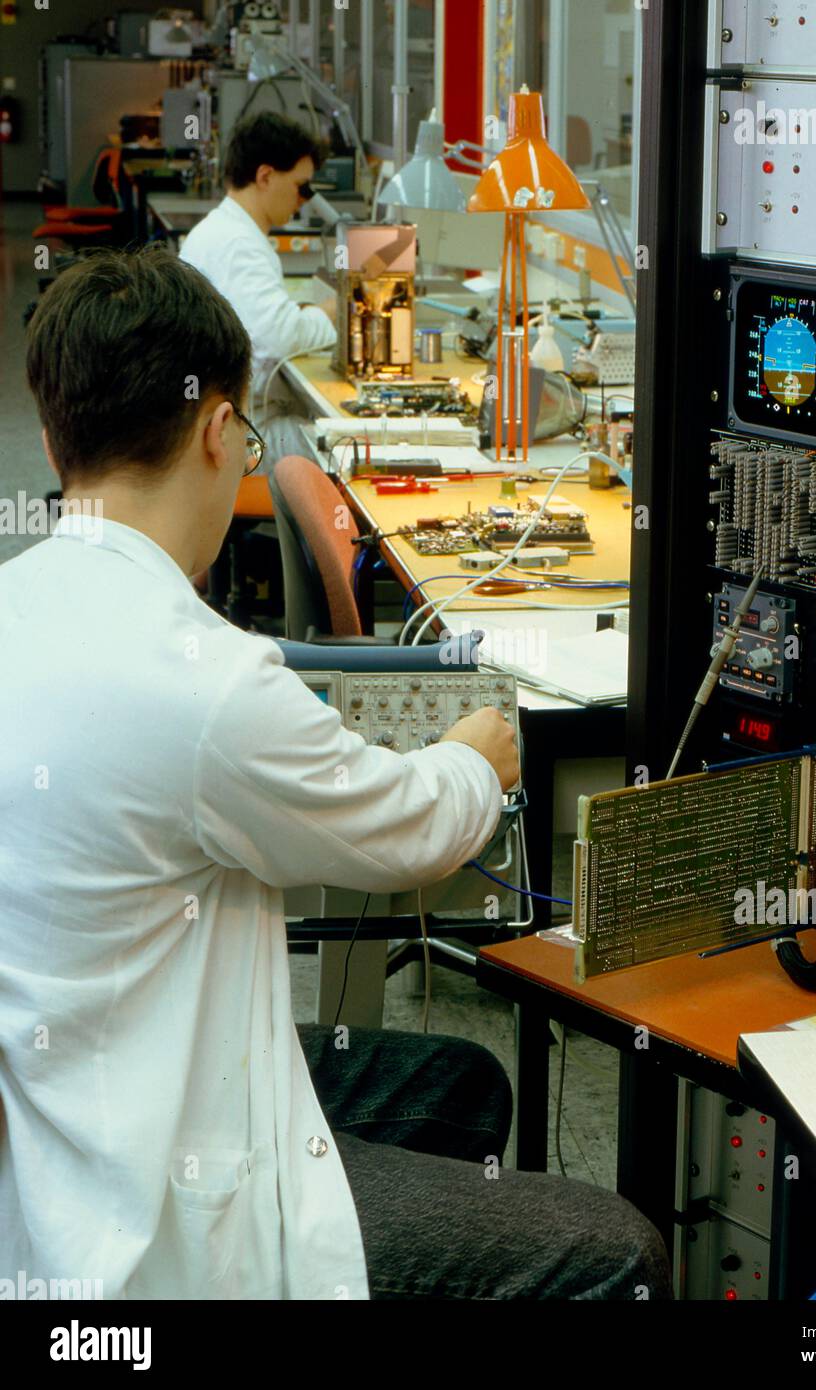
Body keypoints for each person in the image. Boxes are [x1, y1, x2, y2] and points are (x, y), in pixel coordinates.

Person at [0, 247, 670, 1301]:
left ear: (52, 436)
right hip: (161, 1206)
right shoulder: (205, 682)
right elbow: (404, 835)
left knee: (460, 1083)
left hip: (69, 1110)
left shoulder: (21, 605)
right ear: (221, 433)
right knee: (617, 1255)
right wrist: (474, 758)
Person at [180, 111, 337, 461]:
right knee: (346, 449)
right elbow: (280, 338)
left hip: (221, 420)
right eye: (301, 186)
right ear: (265, 176)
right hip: (245, 436)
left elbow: (262, 326)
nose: (303, 200)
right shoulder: (239, 244)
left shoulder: (223, 230)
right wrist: (330, 315)